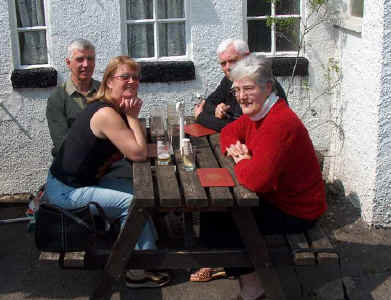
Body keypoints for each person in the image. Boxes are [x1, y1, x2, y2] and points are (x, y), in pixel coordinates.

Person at [207, 54, 326, 300]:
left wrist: (241, 159)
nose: (241, 96)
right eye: (237, 89)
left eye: (248, 88)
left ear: (268, 87)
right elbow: (229, 132)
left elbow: (257, 181)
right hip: (277, 197)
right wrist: (237, 151)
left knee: (225, 221)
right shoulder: (256, 114)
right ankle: (247, 278)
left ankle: (254, 289)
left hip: (298, 210)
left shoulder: (279, 122)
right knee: (213, 215)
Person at [45, 56, 170, 288]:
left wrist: (165, 145)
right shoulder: (106, 114)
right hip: (66, 191)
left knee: (140, 190)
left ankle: (147, 249)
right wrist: (133, 117)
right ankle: (137, 270)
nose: (132, 81)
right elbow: (138, 153)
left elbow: (136, 141)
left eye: (136, 77)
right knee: (134, 202)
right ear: (110, 81)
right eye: (125, 77)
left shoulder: (114, 107)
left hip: (83, 182)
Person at [194, 39, 287, 132]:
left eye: (232, 61)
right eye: (223, 63)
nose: (228, 67)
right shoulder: (229, 80)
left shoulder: (261, 84)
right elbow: (207, 104)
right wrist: (217, 110)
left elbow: (244, 129)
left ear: (247, 57)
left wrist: (201, 117)